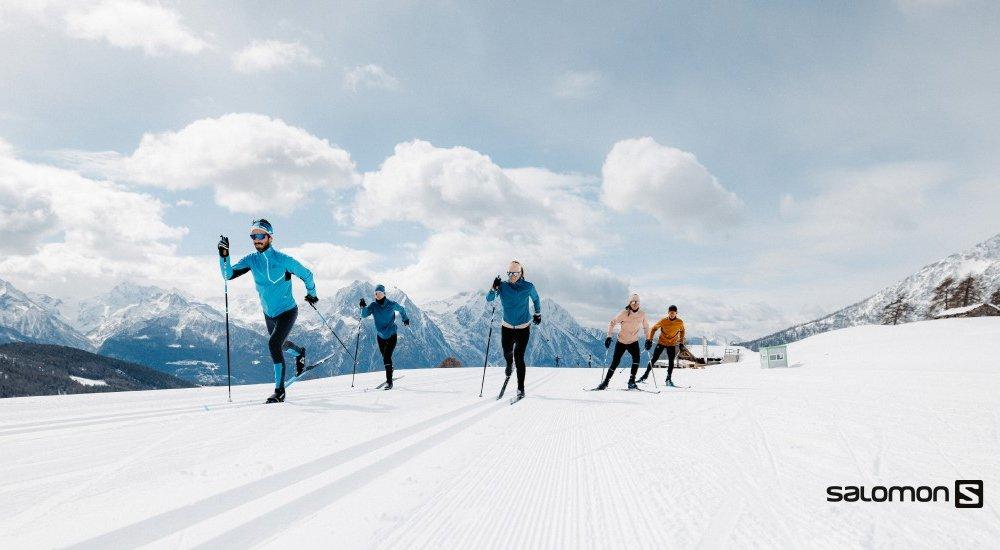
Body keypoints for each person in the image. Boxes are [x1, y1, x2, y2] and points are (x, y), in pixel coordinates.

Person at [218, 219, 317, 403]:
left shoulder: (283, 260)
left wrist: (312, 294)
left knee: (273, 344)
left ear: (270, 237)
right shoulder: (251, 260)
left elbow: (307, 275)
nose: (257, 239)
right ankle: (299, 353)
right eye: (253, 236)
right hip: (268, 313)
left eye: (261, 235)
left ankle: (279, 392)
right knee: (279, 343)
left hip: (288, 311)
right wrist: (224, 255)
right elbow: (228, 274)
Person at [486, 260, 541, 400]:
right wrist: (493, 287)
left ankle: (520, 389)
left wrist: (537, 313)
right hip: (507, 327)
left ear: (520, 273)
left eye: (514, 273)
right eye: (509, 273)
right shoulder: (503, 286)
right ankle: (509, 364)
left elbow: (536, 299)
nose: (511, 276)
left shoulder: (528, 287)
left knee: (519, 357)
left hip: (523, 327)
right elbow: (489, 299)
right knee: (507, 353)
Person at [359, 284, 410, 389]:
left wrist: (405, 319)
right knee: (385, 358)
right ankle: (390, 369)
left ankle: (389, 382)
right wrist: (363, 307)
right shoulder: (373, 306)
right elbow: (363, 315)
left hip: (392, 334)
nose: (377, 295)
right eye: (376, 294)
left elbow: (401, 309)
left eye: (380, 293)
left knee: (387, 357)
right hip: (380, 336)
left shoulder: (391, 304)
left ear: (384, 294)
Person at [596, 293, 650, 390]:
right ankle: (605, 382)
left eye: (637, 302)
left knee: (636, 359)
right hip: (621, 341)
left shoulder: (642, 314)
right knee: (615, 362)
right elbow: (612, 323)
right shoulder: (624, 313)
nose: (635, 303)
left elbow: (646, 327)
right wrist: (608, 337)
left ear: (639, 303)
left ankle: (632, 381)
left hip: (633, 341)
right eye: (632, 302)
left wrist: (648, 339)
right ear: (629, 303)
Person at [638, 305, 685, 387]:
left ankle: (668, 379)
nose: (672, 314)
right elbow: (653, 329)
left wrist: (681, 342)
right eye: (670, 312)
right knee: (654, 359)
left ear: (676, 313)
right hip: (662, 342)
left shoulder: (679, 322)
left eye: (673, 313)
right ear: (668, 312)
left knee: (671, 361)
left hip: (672, 344)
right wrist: (649, 340)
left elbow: (682, 331)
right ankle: (644, 376)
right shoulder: (663, 321)